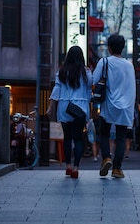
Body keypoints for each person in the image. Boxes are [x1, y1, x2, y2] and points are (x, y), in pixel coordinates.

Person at [92, 34, 136, 179]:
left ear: (109, 48)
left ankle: (106, 158)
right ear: (122, 48)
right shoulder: (129, 65)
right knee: (121, 137)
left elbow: (94, 79)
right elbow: (132, 88)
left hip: (109, 104)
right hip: (125, 106)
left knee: (104, 133)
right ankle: (117, 168)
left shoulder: (104, 62)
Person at [46, 45, 92, 179]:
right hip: (81, 108)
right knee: (78, 138)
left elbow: (57, 89)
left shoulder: (62, 71)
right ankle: (76, 168)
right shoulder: (86, 72)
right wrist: (89, 108)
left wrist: (50, 107)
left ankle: (68, 166)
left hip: (65, 107)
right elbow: (89, 91)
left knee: (67, 138)